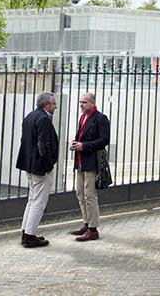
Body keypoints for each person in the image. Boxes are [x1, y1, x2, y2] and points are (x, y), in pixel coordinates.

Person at [16, 91, 59, 248]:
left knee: (32, 199)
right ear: (46, 105)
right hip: (40, 167)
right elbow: (43, 145)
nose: (55, 106)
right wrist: (48, 164)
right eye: (53, 103)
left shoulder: (30, 116)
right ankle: (30, 235)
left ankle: (26, 231)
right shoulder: (43, 119)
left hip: (29, 164)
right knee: (39, 202)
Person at [69, 92, 110, 242]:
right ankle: (86, 223)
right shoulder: (82, 117)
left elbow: (104, 140)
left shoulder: (100, 118)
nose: (81, 105)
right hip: (80, 161)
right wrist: (76, 143)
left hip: (91, 162)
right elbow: (82, 136)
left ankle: (93, 229)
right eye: (80, 102)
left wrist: (84, 146)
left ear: (92, 103)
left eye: (84, 102)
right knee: (80, 193)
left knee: (89, 195)